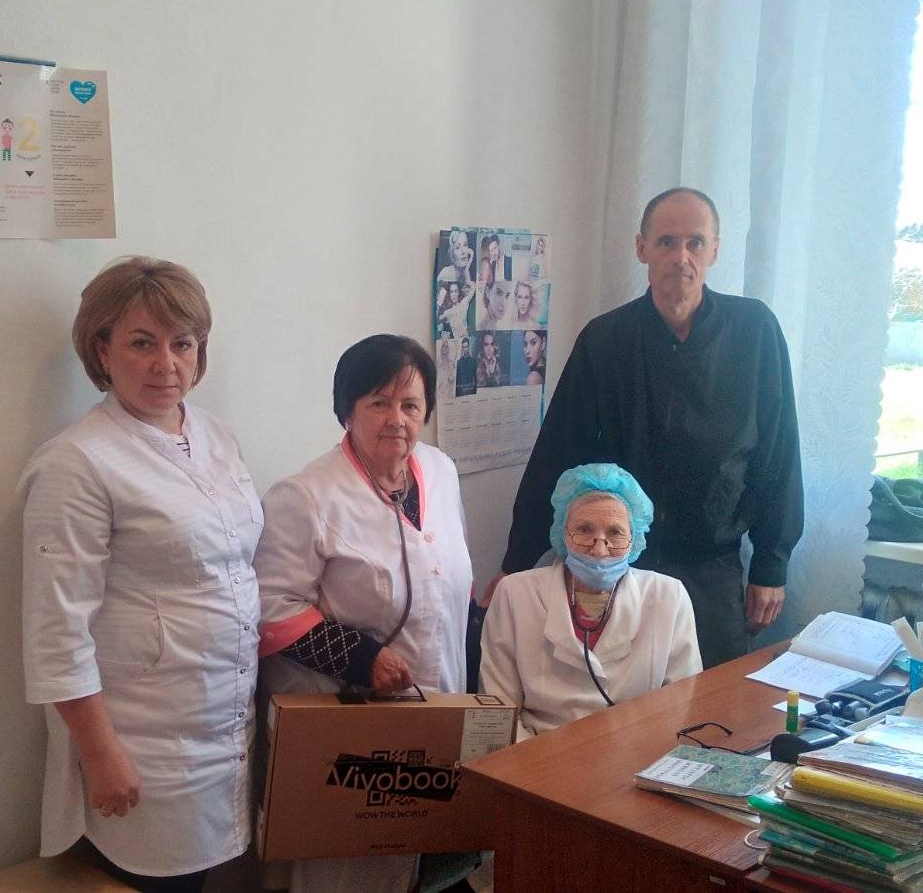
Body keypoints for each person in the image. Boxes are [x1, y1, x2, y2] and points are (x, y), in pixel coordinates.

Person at [18, 257, 261, 892]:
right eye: (142, 343)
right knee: (154, 879)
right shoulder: (77, 463)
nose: (166, 364)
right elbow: (56, 630)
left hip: (224, 724)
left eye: (183, 344)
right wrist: (100, 754)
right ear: (102, 349)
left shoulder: (217, 437)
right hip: (144, 741)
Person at [497, 187, 803, 668]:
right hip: (616, 564)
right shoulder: (605, 339)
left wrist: (772, 564)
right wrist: (515, 564)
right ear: (642, 248)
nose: (681, 257)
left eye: (695, 242)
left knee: (709, 703)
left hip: (712, 567)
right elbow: (558, 453)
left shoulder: (755, 331)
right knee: (618, 696)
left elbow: (779, 456)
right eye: (666, 242)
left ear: (715, 250)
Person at [254, 334, 473, 893]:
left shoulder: (441, 471)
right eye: (379, 402)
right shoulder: (306, 496)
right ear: (346, 410)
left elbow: (446, 580)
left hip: (437, 705)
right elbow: (271, 608)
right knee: (350, 867)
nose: (397, 419)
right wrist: (362, 659)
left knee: (424, 855)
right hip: (349, 723)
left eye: (411, 405)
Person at [481, 463, 700, 737]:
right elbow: (498, 709)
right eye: (584, 530)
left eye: (615, 532)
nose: (599, 549)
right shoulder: (515, 594)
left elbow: (681, 703)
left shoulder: (668, 596)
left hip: (636, 747)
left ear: (635, 538)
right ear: (563, 533)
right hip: (540, 748)